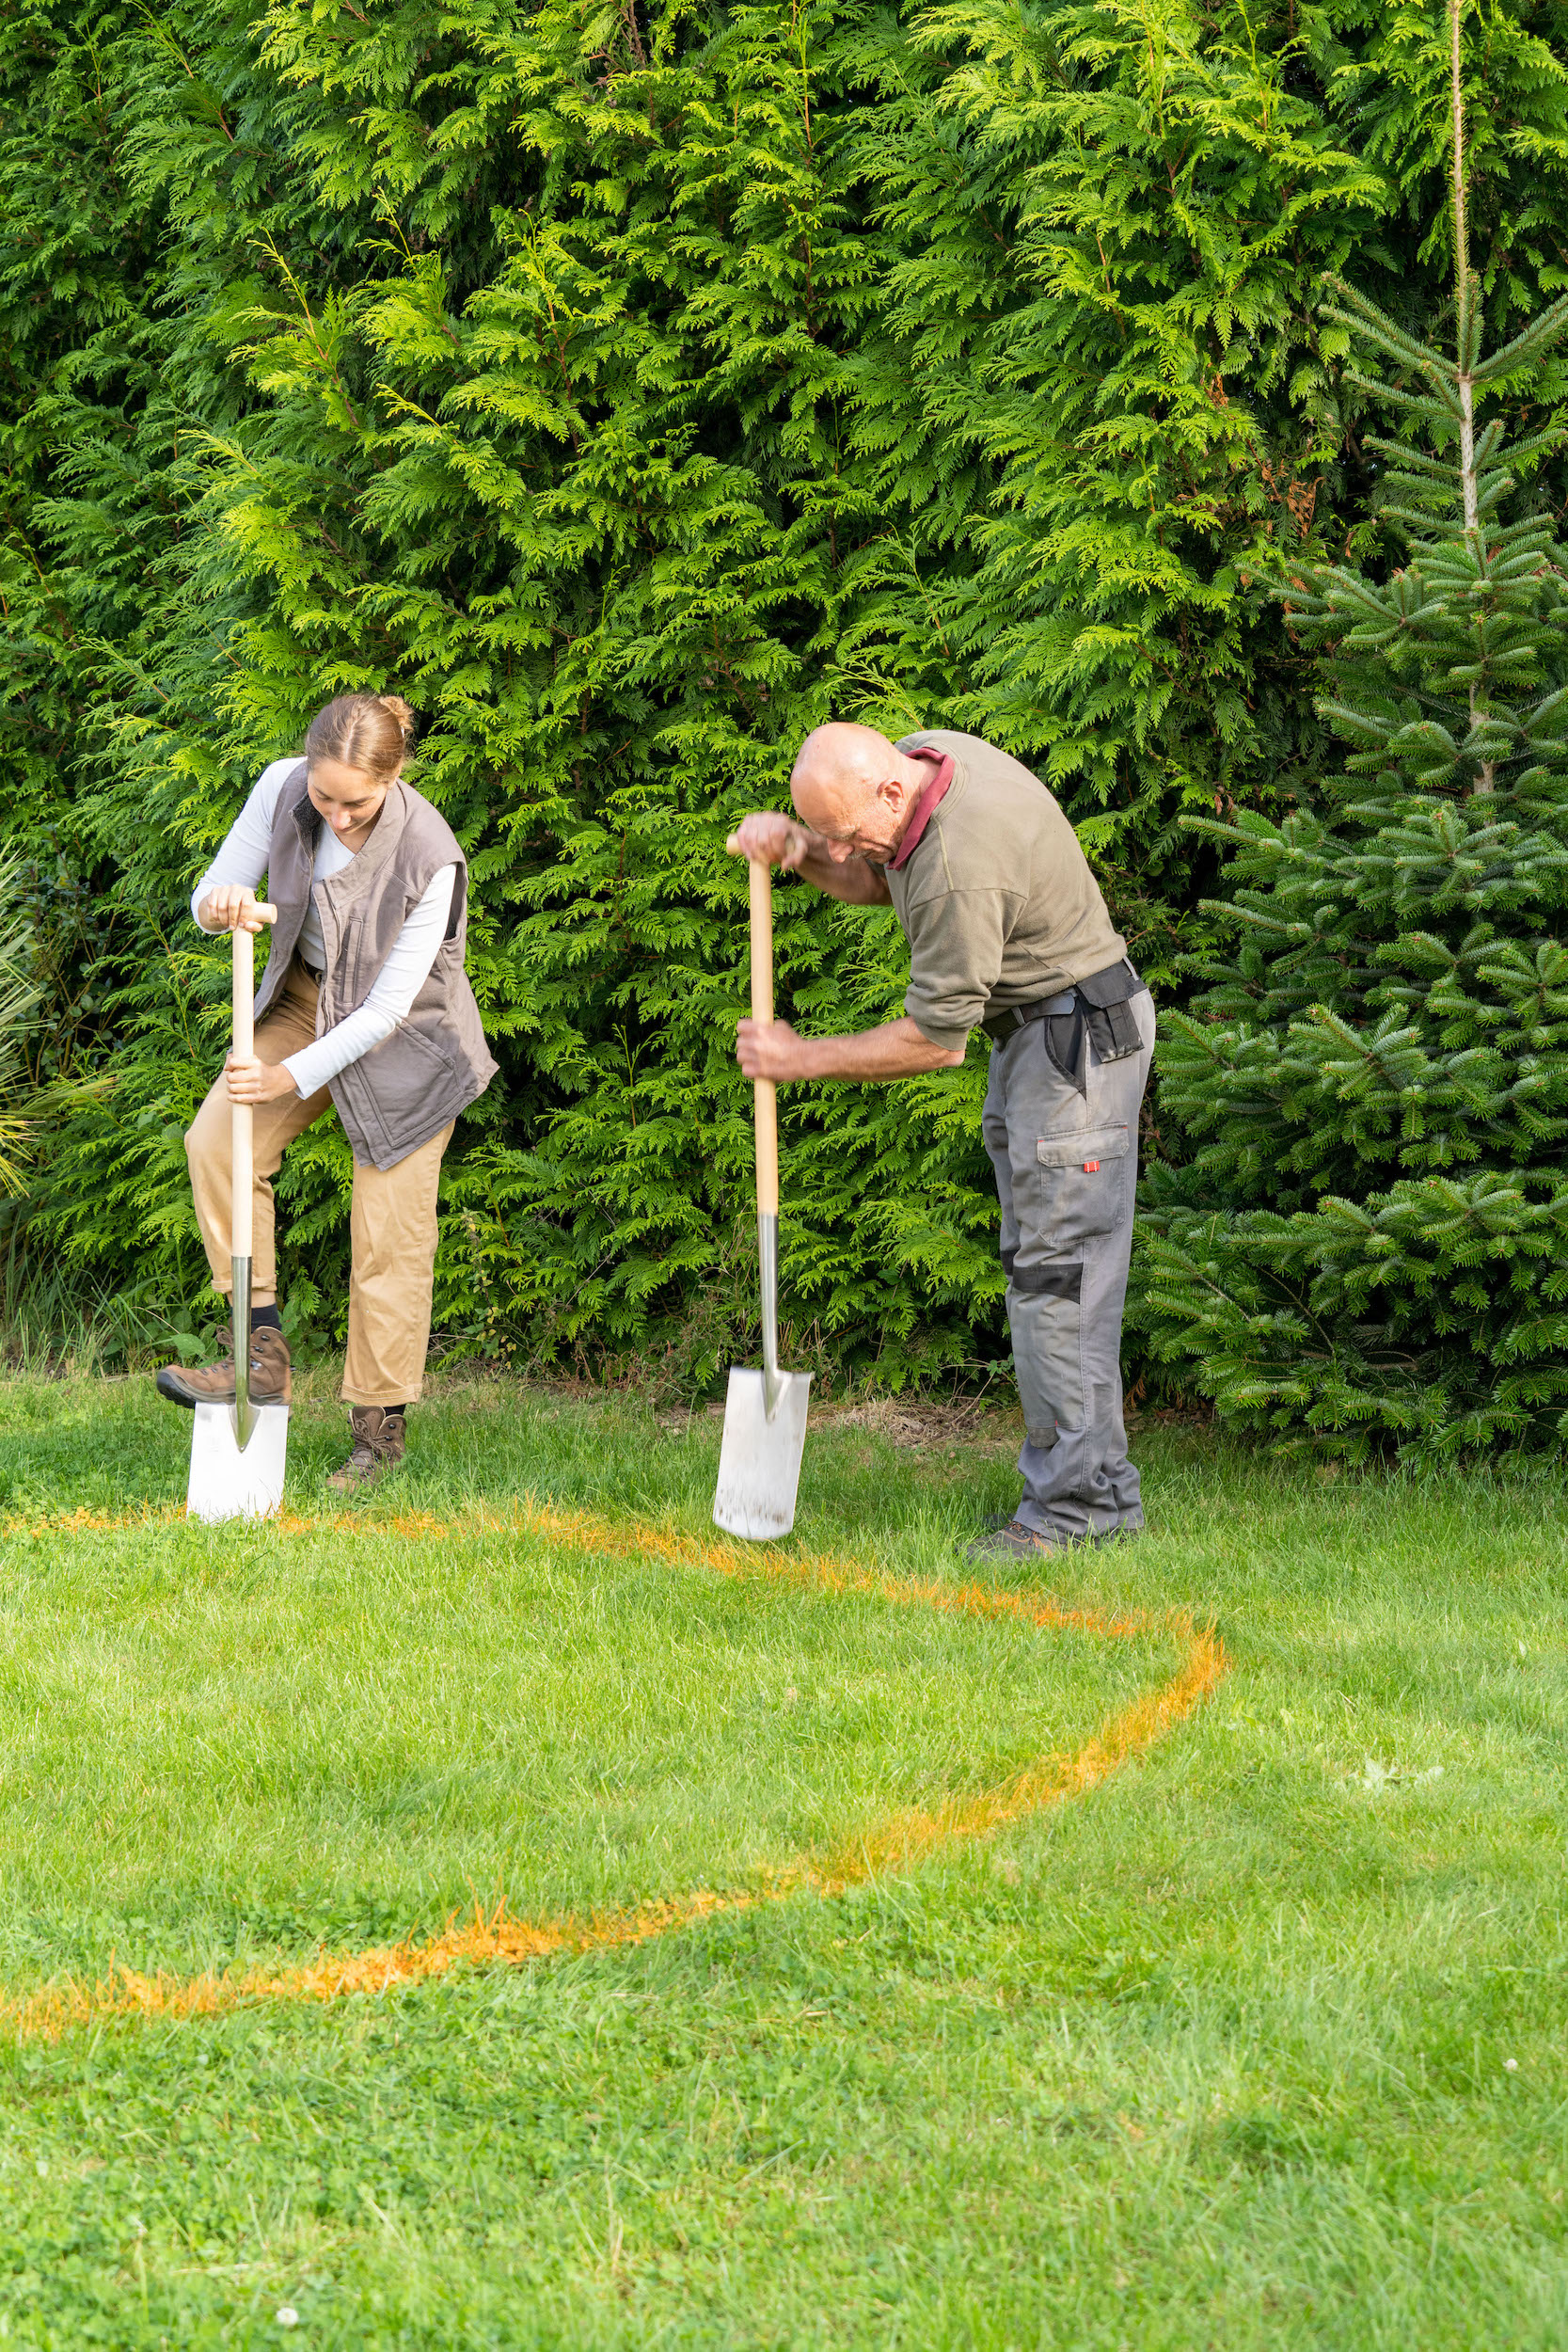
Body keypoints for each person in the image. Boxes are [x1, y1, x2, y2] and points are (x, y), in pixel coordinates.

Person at [727, 722, 1153, 1560]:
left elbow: (935, 1039)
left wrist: (797, 1057)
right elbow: (880, 874)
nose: (849, 850)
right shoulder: (923, 760)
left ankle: (1077, 1515)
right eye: (834, 833)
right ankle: (1092, 1493)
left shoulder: (961, 862)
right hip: (1042, 1039)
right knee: (1049, 1275)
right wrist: (803, 851)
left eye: (848, 833)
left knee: (1056, 1281)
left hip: (1073, 1052)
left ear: (891, 789)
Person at [156, 692, 498, 1491]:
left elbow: (383, 1010)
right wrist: (220, 907)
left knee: (388, 1235)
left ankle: (376, 1432)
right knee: (217, 1144)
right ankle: (259, 1354)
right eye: (324, 796)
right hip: (307, 1002)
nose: (337, 817)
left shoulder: (431, 856)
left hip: (409, 1035)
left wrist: (285, 1075)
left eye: (357, 802)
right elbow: (210, 899)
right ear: (307, 769)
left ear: (396, 774)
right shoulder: (281, 786)